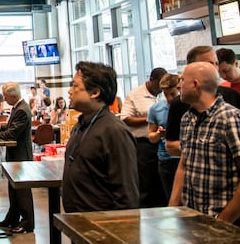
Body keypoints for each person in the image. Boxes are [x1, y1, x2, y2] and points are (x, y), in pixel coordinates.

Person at [169, 62, 240, 231]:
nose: (179, 85)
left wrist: (222, 221)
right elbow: (184, 165)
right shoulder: (187, 119)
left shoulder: (231, 120)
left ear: (195, 85)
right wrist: (172, 210)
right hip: (194, 224)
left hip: (228, 229)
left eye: (182, 80)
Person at [63, 61, 139, 212]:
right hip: (80, 224)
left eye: (75, 86)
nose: (69, 91)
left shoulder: (115, 132)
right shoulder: (81, 125)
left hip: (103, 226)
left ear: (95, 93)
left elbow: (126, 193)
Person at [165, 46, 240, 157]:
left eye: (216, 63)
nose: (215, 68)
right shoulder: (182, 108)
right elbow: (171, 146)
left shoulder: (232, 96)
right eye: (209, 64)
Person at [0, 82, 34, 234]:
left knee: (22, 190)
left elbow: (12, 133)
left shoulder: (22, 110)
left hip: (21, 155)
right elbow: (10, 126)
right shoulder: (18, 107)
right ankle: (12, 218)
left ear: (14, 96)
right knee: (13, 188)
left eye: (6, 97)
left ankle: (27, 223)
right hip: (15, 154)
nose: (4, 99)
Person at [120, 67, 168, 208]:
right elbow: (125, 118)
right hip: (143, 145)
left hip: (162, 144)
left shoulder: (164, 94)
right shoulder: (135, 95)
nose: (161, 89)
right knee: (146, 183)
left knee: (160, 183)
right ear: (151, 80)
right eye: (159, 85)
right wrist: (150, 118)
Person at [147, 73, 180, 202]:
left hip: (183, 157)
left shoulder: (187, 107)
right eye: (165, 95)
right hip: (165, 159)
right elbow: (151, 136)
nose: (169, 98)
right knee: (169, 198)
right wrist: (158, 134)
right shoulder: (156, 109)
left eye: (172, 94)